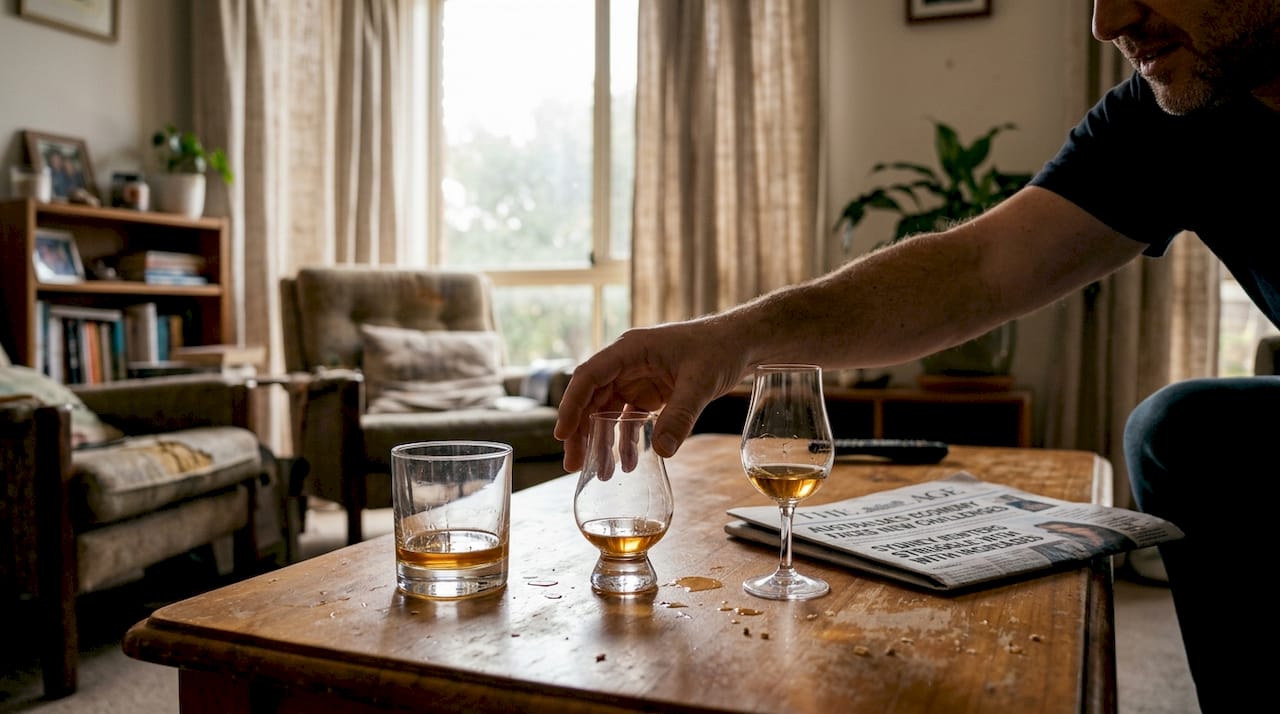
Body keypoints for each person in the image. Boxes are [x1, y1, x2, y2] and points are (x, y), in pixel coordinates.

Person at [555, 2, 1278, 710]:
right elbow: (979, 267)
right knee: (1180, 431)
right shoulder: (1174, 112)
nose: (1107, 20)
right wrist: (727, 341)